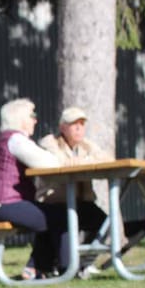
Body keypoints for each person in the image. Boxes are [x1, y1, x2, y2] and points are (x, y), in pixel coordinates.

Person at [0, 98, 61, 278]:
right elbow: (49, 164)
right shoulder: (16, 139)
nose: (35, 120)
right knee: (62, 215)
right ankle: (63, 267)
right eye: (33, 115)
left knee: (51, 214)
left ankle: (36, 268)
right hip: (5, 205)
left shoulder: (1, 140)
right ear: (20, 118)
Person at [35, 106, 111, 276]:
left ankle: (84, 262)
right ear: (63, 127)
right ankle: (64, 266)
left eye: (82, 124)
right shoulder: (50, 142)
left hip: (80, 201)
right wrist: (88, 161)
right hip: (55, 202)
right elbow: (61, 163)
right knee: (64, 222)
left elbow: (106, 159)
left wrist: (83, 159)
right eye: (73, 124)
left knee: (105, 223)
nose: (79, 128)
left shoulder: (86, 145)